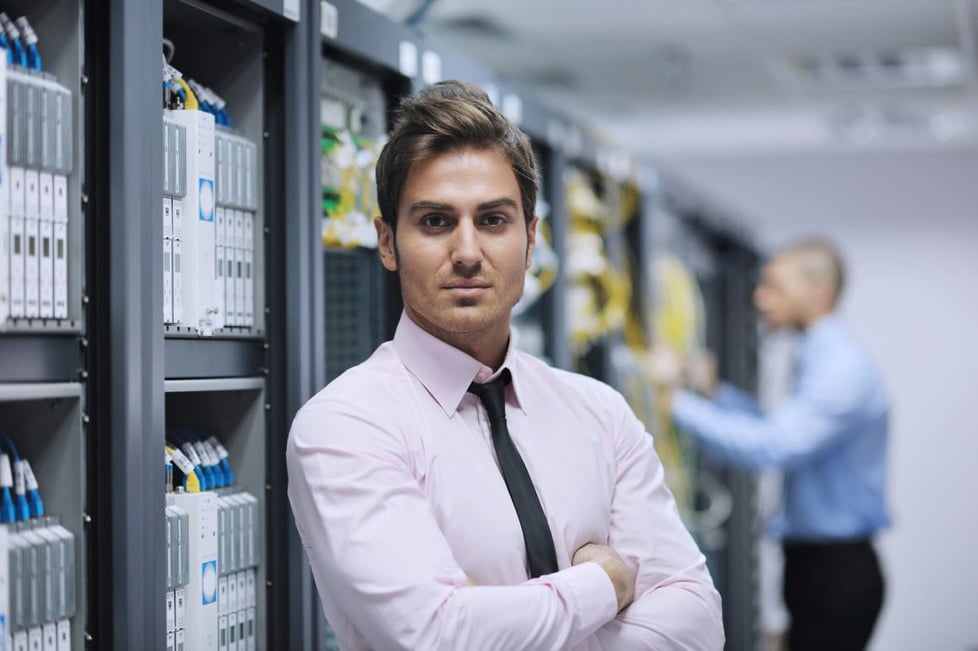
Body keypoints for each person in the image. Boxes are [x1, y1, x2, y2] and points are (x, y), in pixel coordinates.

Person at [287, 80, 723, 650]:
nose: (467, 252)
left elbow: (696, 623)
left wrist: (499, 618)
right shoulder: (347, 427)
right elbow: (437, 636)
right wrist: (605, 582)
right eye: (436, 222)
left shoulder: (600, 414)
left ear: (531, 240)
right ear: (388, 243)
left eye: (493, 220)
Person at [659, 239, 889, 651]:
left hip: (835, 571)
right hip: (817, 567)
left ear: (819, 292)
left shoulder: (842, 369)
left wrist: (674, 403)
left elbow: (777, 446)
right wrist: (715, 396)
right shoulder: (821, 358)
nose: (761, 298)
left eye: (775, 287)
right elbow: (779, 427)